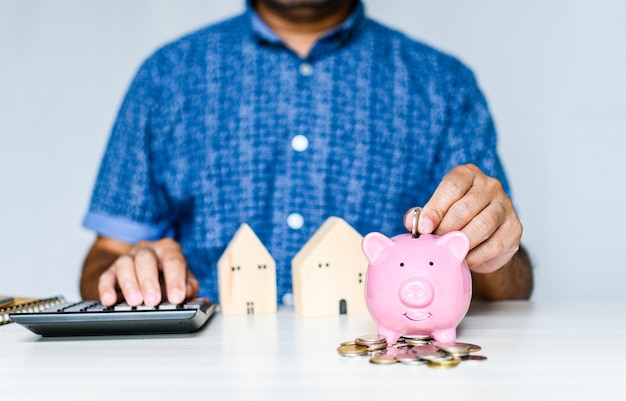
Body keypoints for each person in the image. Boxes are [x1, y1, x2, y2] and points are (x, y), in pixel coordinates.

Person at [79, 0, 533, 307]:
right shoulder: (167, 76)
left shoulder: (444, 83)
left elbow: (511, 286)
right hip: (202, 374)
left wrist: (494, 253)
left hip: (388, 372)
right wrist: (128, 271)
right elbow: (105, 257)